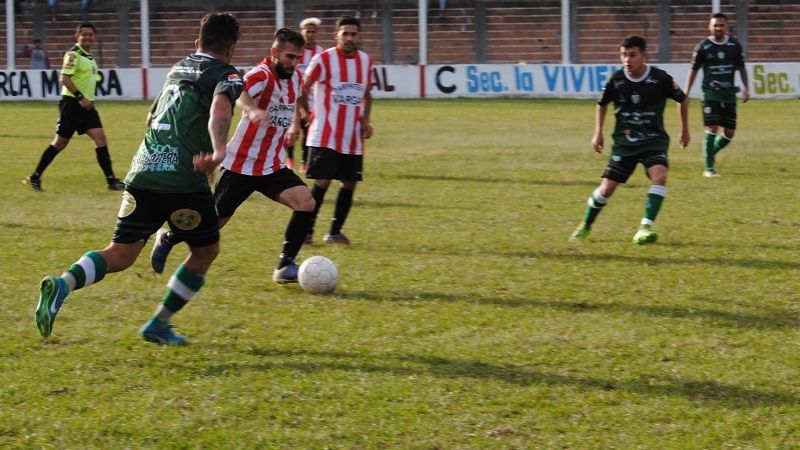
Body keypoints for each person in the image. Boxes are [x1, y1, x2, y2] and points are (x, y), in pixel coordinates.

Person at [34, 13, 244, 345]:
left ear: (196, 43)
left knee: (121, 252)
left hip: (143, 169)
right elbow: (220, 107)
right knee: (205, 251)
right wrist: (218, 152)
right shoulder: (227, 74)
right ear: (231, 49)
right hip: (183, 179)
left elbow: (150, 118)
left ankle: (64, 284)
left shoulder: (178, 68)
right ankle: (159, 324)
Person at [149, 28, 315, 284]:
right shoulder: (261, 74)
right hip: (241, 165)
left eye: (297, 57)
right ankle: (169, 236)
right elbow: (238, 94)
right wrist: (254, 110)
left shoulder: (294, 77)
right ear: (274, 53)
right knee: (213, 224)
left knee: (306, 203)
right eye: (289, 56)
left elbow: (294, 100)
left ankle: (285, 265)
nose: (293, 63)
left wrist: (296, 123)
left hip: (271, 166)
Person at [569, 35, 689, 245]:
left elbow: (682, 98)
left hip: (653, 140)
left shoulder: (660, 78)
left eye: (632, 55)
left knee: (659, 176)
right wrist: (598, 132)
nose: (627, 59)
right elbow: (602, 104)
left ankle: (645, 227)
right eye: (624, 55)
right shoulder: (616, 80)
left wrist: (684, 129)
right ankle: (585, 225)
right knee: (606, 189)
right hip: (625, 143)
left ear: (643, 55)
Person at [22, 22, 125, 192]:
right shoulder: (73, 54)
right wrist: (80, 97)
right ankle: (34, 177)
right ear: (77, 36)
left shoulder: (89, 57)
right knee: (60, 143)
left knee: (100, 139)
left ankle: (111, 181)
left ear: (95, 37)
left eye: (90, 34)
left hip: (87, 106)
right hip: (72, 104)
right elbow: (64, 78)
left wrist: (87, 99)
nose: (88, 37)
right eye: (84, 34)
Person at [300, 15, 374, 245]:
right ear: (337, 36)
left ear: (358, 37)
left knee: (349, 183)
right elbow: (301, 89)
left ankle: (334, 232)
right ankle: (306, 230)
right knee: (322, 181)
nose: (350, 38)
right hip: (325, 135)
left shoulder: (366, 61)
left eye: (354, 34)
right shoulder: (323, 59)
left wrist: (366, 121)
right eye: (346, 34)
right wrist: (304, 116)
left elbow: (367, 93)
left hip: (352, 137)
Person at [685, 12, 749, 178]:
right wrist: (686, 92)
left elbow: (741, 67)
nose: (718, 28)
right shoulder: (703, 47)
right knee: (712, 127)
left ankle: (710, 152)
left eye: (721, 25)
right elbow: (693, 70)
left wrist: (746, 87)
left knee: (729, 133)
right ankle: (709, 168)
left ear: (726, 27)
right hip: (710, 93)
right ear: (710, 27)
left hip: (728, 94)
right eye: (715, 25)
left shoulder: (734, 46)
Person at [285, 17, 325, 173]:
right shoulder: (295, 50)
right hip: (292, 97)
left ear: (317, 33)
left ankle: (304, 161)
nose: (310, 34)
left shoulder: (321, 53)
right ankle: (289, 159)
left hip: (312, 100)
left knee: (308, 130)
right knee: (292, 129)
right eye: (307, 31)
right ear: (302, 32)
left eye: (313, 31)